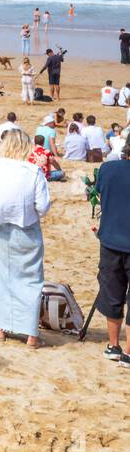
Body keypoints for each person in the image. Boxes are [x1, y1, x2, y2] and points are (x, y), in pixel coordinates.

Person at [0, 130, 51, 347]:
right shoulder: (33, 171)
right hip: (25, 227)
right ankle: (31, 334)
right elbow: (43, 207)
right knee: (30, 279)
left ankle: (1, 329)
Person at [93, 140, 130, 364]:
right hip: (116, 239)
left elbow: (100, 193)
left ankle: (114, 345)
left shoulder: (108, 169)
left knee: (112, 293)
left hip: (111, 241)